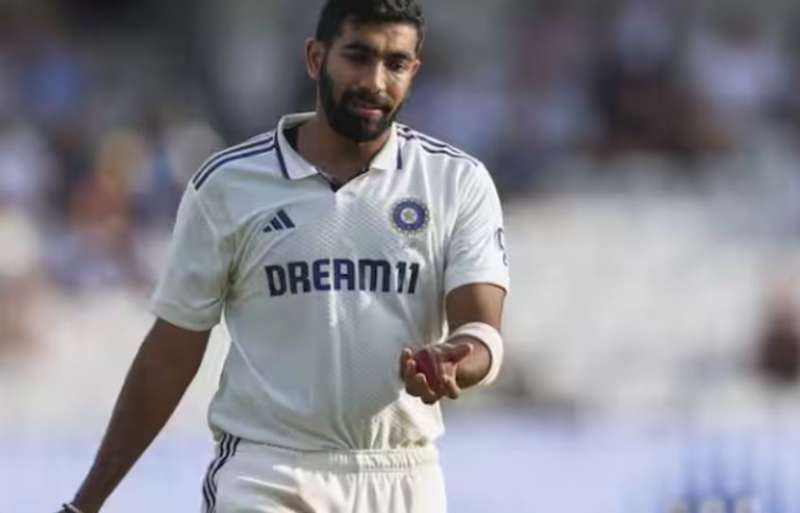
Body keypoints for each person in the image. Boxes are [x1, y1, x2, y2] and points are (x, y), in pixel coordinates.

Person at [56, 0, 509, 511]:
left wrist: (458, 360)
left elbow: (481, 331)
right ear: (316, 58)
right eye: (358, 56)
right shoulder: (229, 185)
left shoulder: (456, 181)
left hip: (404, 475)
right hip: (268, 471)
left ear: (414, 71)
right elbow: (171, 352)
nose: (375, 82)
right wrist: (87, 502)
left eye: (396, 64)